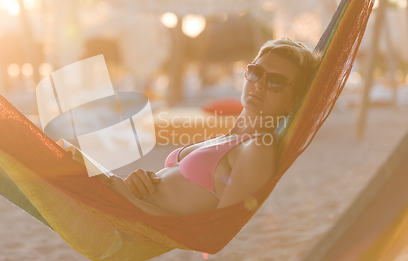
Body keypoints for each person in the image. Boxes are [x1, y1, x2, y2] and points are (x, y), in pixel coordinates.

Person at [63, 37, 321, 216]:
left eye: (276, 82)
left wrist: (129, 202)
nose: (260, 84)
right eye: (256, 72)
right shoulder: (231, 138)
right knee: (50, 152)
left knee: (39, 156)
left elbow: (216, 232)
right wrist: (136, 183)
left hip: (121, 210)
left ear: (293, 102)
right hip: (118, 198)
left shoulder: (258, 150)